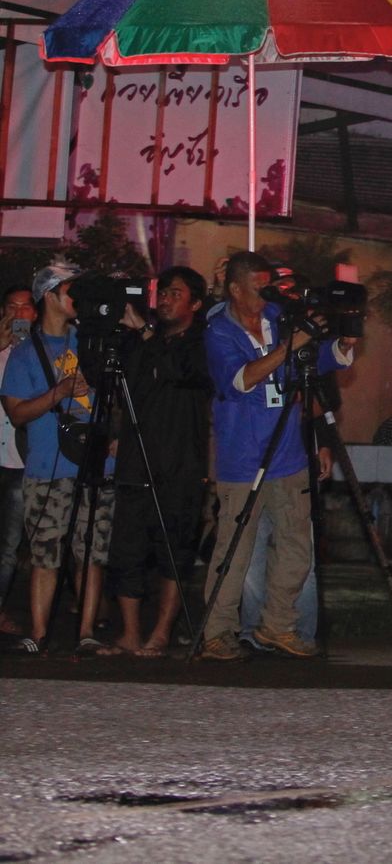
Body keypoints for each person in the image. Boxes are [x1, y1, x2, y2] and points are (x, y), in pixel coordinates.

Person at [198, 252, 354, 661]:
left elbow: (313, 360)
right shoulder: (218, 331)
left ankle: (278, 625)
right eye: (260, 287)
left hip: (289, 452)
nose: (268, 294)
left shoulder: (280, 316)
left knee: (296, 547)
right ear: (235, 289)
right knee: (234, 551)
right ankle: (217, 632)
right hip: (242, 457)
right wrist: (290, 346)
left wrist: (341, 345)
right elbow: (241, 380)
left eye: (271, 286)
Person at [0, 262, 115, 654]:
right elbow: (17, 413)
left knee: (92, 553)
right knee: (45, 553)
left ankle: (87, 632)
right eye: (70, 291)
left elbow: (118, 396)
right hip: (49, 464)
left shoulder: (93, 341)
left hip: (95, 462)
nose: (79, 299)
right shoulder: (25, 353)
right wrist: (59, 392)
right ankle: (38, 633)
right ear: (49, 296)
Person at [102, 266, 212, 657]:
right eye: (162, 293)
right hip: (136, 459)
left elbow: (182, 371)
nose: (165, 300)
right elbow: (121, 389)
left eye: (175, 294)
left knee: (175, 550)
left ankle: (161, 633)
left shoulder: (203, 342)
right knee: (126, 548)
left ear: (195, 304)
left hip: (181, 463)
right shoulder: (139, 342)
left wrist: (145, 335)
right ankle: (130, 633)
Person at [0, 282, 37, 634]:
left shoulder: (38, 352)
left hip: (17, 458)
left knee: (8, 544)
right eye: (12, 306)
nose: (18, 314)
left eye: (25, 307)